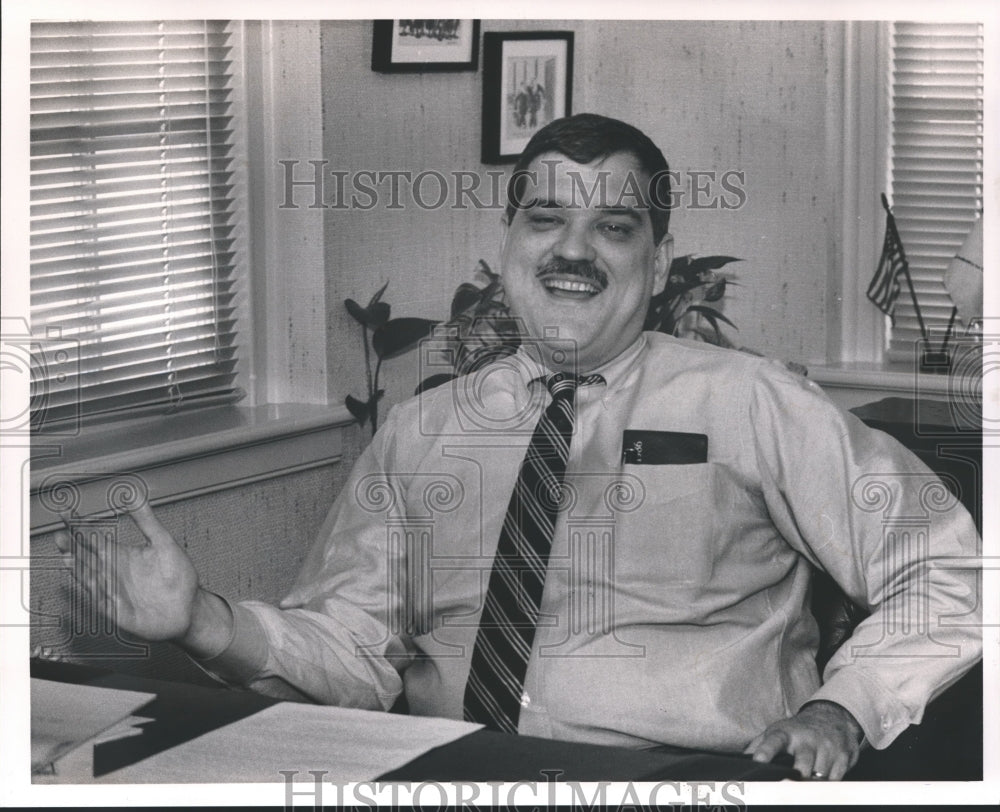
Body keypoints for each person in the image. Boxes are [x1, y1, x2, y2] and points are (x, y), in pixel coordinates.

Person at [56, 114, 981, 782]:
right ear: (506, 246)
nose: (572, 250)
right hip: (447, 770)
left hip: (687, 776)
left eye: (614, 228)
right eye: (545, 220)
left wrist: (842, 706)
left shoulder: (755, 404)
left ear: (658, 265)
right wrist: (203, 621)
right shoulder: (425, 430)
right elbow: (353, 650)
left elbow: (952, 571)